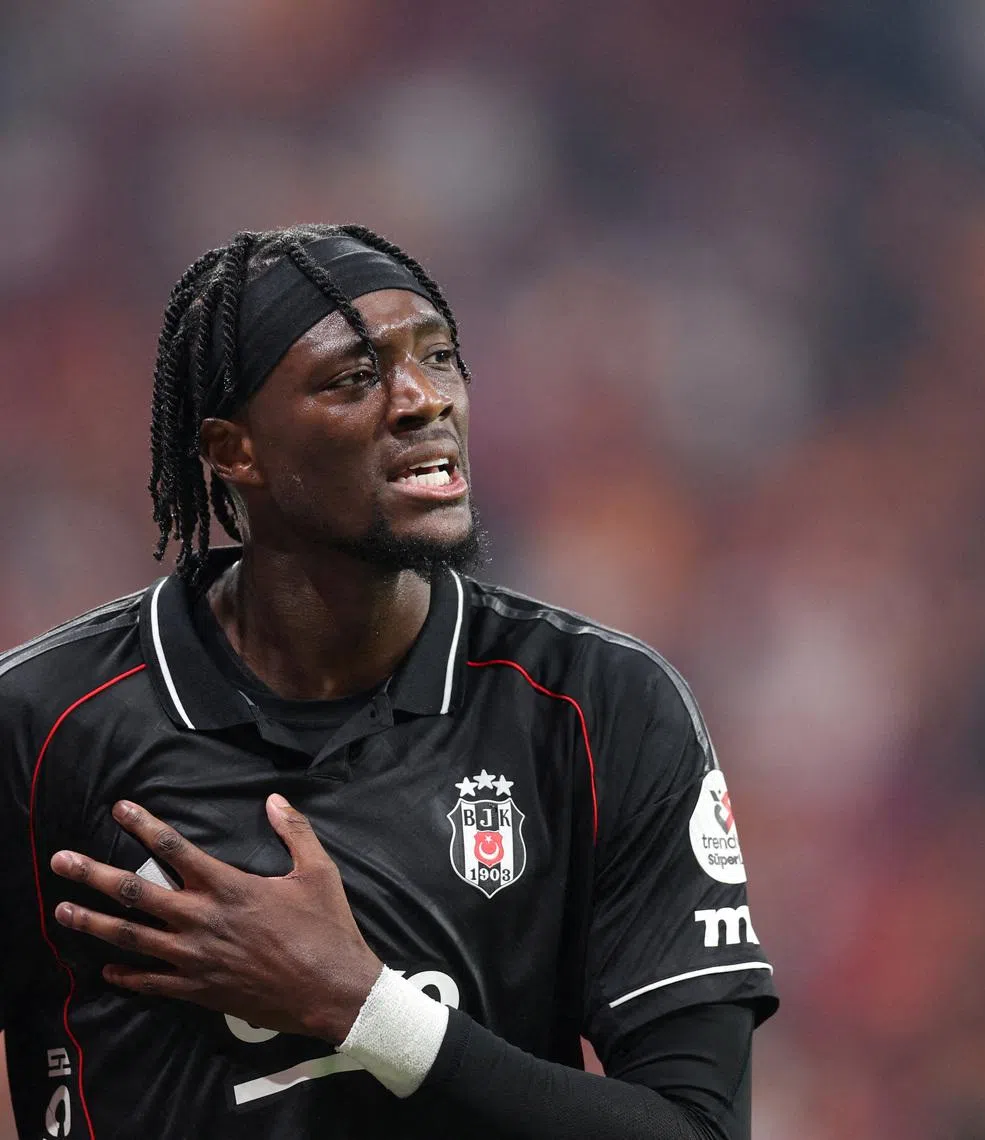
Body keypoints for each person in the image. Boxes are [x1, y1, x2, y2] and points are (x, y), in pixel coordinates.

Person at [0, 224, 777, 1139]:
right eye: (355, 376)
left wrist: (366, 1009)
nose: (423, 400)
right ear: (234, 450)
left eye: (439, 358)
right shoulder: (41, 725)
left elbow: (700, 1128)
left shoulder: (598, 708)